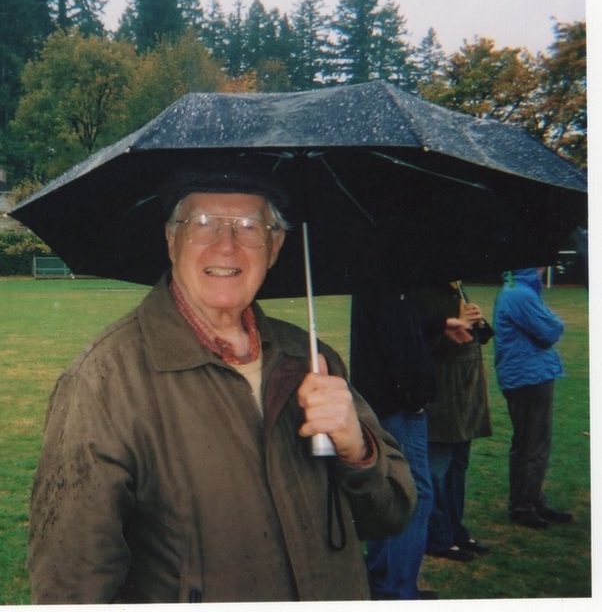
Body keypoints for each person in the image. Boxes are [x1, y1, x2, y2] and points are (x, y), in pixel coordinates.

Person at [27, 169, 416, 603]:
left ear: (275, 246)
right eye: (203, 223)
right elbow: (72, 585)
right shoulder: (103, 383)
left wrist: (357, 450)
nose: (226, 245)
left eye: (249, 226)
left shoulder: (311, 360)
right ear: (171, 240)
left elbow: (391, 513)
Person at [349, 285, 473, 600]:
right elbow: (398, 339)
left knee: (391, 488)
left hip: (385, 404)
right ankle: (398, 590)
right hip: (398, 408)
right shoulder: (391, 283)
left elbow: (402, 325)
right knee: (413, 491)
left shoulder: (382, 282)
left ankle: (382, 580)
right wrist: (415, 398)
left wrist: (440, 324)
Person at [417, 282, 493, 562]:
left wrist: (478, 321)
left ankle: (455, 529)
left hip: (467, 398)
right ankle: (439, 537)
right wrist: (455, 324)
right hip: (443, 398)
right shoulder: (424, 293)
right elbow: (422, 344)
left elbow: (479, 337)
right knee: (438, 470)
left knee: (458, 466)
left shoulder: (456, 289)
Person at [493, 268, 572, 528]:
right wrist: (555, 323)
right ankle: (523, 506)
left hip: (529, 375)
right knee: (530, 443)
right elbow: (551, 330)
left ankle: (532, 499)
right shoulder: (520, 294)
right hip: (528, 377)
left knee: (533, 442)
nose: (543, 267)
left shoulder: (520, 291)